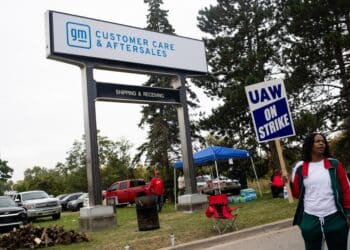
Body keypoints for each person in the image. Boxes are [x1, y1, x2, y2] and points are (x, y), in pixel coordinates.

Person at [291, 132, 350, 250]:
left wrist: (348, 214)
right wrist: (288, 182)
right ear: (309, 145)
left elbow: (346, 189)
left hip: (335, 217)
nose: (321, 143)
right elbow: (297, 194)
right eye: (317, 141)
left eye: (323, 141)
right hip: (310, 219)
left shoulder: (334, 164)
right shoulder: (300, 167)